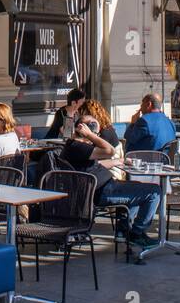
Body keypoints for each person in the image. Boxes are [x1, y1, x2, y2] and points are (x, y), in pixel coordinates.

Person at [62, 100, 160, 248]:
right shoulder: (78, 146)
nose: (98, 134)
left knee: (137, 188)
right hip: (102, 191)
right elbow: (110, 151)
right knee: (154, 192)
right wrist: (91, 135)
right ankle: (136, 234)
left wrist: (119, 161)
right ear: (85, 130)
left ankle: (124, 231)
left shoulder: (76, 147)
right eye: (95, 130)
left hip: (103, 187)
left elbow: (95, 165)